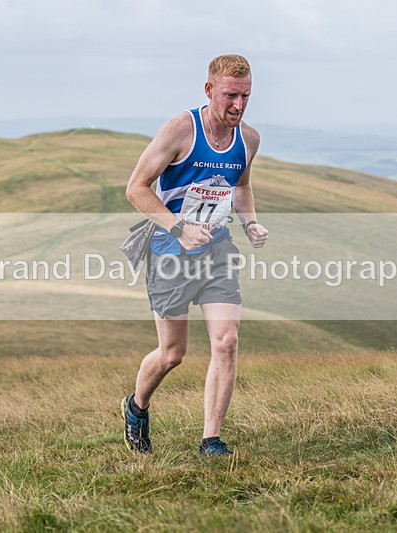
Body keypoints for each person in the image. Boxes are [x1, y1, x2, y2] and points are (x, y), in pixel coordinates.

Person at [121, 54, 268, 456]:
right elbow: (136, 188)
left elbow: (240, 187)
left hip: (217, 248)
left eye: (246, 96)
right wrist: (178, 227)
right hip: (169, 249)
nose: (238, 105)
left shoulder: (249, 139)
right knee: (172, 354)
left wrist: (250, 222)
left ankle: (211, 440)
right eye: (230, 95)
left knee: (227, 340)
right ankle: (136, 406)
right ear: (209, 90)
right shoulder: (180, 130)